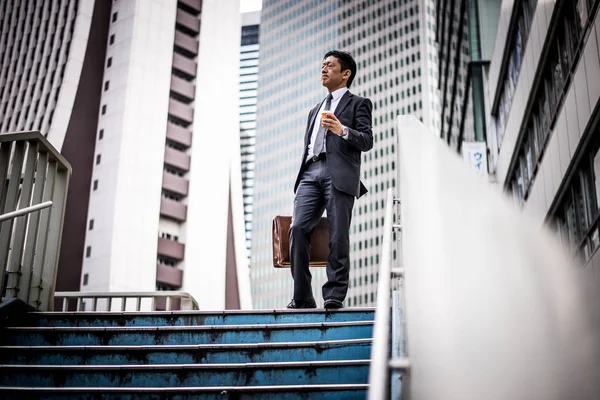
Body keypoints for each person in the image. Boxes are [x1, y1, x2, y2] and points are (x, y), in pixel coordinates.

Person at [288, 50, 373, 309]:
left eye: (330, 65)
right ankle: (302, 296)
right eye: (322, 65)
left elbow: (367, 140)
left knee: (338, 236)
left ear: (345, 73)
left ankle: (334, 295)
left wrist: (342, 130)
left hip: (339, 174)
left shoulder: (359, 103)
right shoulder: (315, 110)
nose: (323, 69)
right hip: (310, 172)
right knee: (298, 228)